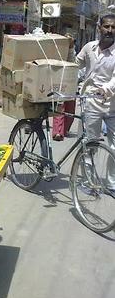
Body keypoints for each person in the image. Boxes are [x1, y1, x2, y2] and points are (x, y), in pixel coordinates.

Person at [76, 14, 115, 187]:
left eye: (113, 27)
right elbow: (76, 66)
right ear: (99, 27)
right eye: (107, 26)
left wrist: (105, 89)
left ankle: (112, 182)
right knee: (89, 144)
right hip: (91, 102)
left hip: (111, 105)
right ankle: (88, 180)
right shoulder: (89, 47)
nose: (110, 30)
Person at [52, 34, 77, 141]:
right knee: (60, 107)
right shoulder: (55, 51)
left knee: (69, 109)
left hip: (69, 81)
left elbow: (74, 63)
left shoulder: (70, 51)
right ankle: (58, 131)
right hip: (59, 81)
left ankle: (63, 130)